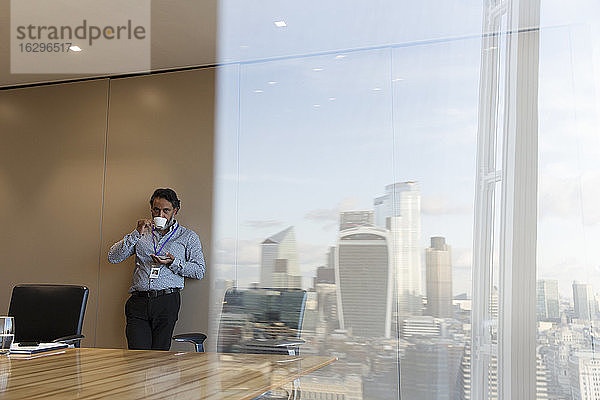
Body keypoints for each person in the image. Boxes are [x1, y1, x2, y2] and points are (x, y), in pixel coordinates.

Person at [108, 188, 205, 350]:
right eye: (156, 210)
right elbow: (113, 257)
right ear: (151, 209)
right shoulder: (141, 233)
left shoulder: (188, 237)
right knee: (137, 358)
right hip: (138, 301)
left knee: (160, 359)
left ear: (175, 211)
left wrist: (173, 262)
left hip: (167, 301)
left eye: (166, 210)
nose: (160, 215)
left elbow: (199, 271)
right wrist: (136, 233)